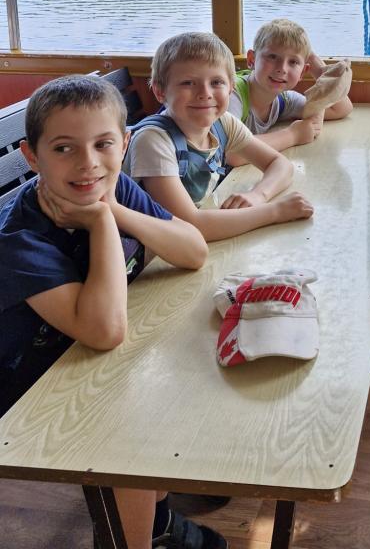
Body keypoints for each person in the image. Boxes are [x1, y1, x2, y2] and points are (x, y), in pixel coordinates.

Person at [0, 75, 225, 549]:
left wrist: (114, 211)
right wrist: (103, 219)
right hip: (26, 390)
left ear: (124, 144)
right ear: (31, 156)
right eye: (64, 148)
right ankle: (135, 536)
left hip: (79, 357)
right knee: (128, 425)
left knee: (176, 364)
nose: (88, 163)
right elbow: (103, 331)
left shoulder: (113, 187)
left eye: (103, 144)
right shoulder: (19, 239)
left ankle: (156, 518)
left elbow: (193, 250)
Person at [124, 31, 313, 242]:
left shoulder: (222, 123)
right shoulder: (152, 141)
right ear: (160, 92)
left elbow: (280, 164)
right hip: (150, 252)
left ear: (231, 87)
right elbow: (191, 225)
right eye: (188, 83)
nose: (205, 93)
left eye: (216, 82)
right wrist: (275, 212)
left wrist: (258, 195)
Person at [229, 18, 353, 151]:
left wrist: (317, 68)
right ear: (251, 59)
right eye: (272, 57)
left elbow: (341, 109)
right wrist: (293, 135)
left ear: (302, 72)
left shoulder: (283, 100)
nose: (282, 68)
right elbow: (232, 150)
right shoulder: (231, 94)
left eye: (293, 62)